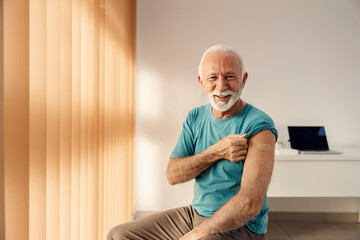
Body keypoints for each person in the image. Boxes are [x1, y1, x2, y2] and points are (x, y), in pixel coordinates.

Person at [108, 45, 278, 240]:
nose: (221, 87)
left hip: (242, 226)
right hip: (195, 215)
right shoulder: (195, 117)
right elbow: (173, 175)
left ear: (243, 80)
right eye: (213, 77)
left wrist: (196, 234)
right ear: (201, 81)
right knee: (118, 235)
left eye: (230, 77)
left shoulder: (259, 125)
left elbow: (250, 203)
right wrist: (216, 151)